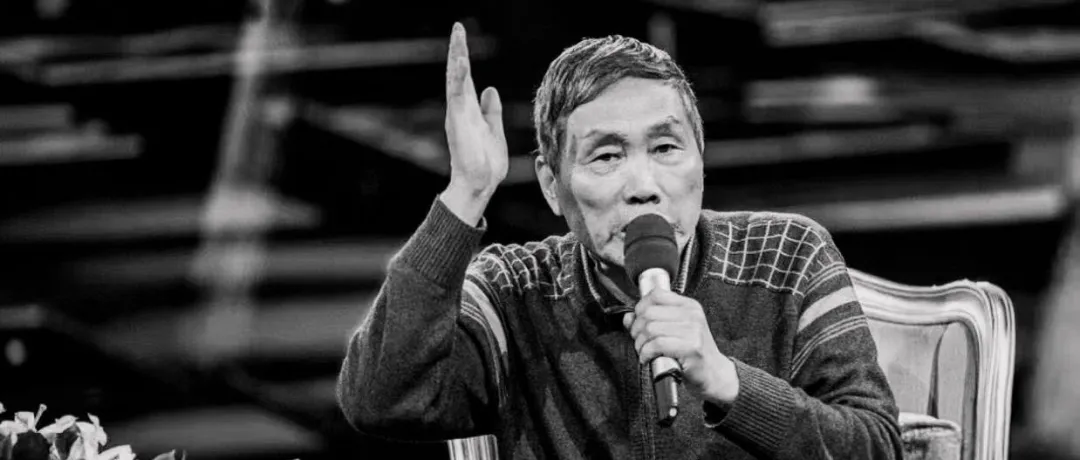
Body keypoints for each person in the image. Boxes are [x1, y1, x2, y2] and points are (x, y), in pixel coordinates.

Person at [337, 22, 903, 459]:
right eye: (607, 156)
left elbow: (877, 447)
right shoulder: (512, 291)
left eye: (666, 148)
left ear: (701, 160)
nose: (643, 186)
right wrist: (466, 193)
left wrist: (727, 380)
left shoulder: (787, 256)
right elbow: (381, 400)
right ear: (552, 185)